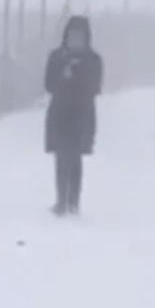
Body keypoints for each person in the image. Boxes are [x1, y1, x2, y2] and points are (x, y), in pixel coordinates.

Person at [44, 15, 103, 216]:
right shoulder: (57, 57)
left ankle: (73, 202)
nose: (75, 39)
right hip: (59, 112)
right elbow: (48, 85)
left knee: (75, 158)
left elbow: (95, 88)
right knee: (61, 157)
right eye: (72, 35)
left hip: (82, 114)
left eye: (79, 35)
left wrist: (75, 78)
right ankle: (60, 201)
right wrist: (63, 76)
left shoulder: (93, 60)